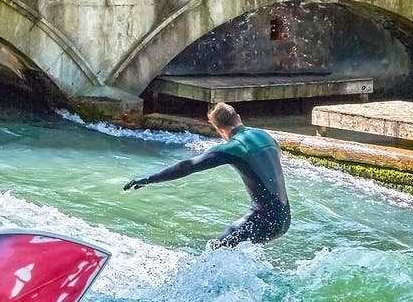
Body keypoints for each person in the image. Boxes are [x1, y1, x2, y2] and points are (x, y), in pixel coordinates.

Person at [123, 102, 290, 249]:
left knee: (216, 251)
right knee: (232, 252)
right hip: (284, 219)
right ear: (238, 117)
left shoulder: (233, 147)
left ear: (219, 129)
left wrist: (149, 179)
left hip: (264, 221)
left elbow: (188, 166)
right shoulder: (265, 136)